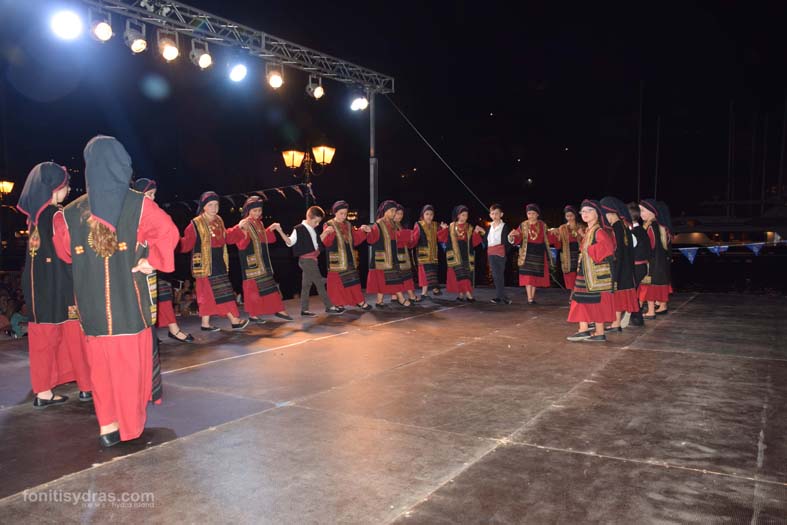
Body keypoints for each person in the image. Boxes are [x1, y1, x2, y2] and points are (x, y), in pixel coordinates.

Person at [53, 135, 180, 447]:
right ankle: (129, 427)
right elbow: (169, 232)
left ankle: (107, 426)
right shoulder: (138, 204)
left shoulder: (69, 213)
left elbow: (64, 252)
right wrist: (151, 261)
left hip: (92, 305)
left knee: (101, 369)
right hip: (129, 303)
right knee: (129, 367)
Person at [17, 161, 92, 408]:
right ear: (54, 188)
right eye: (65, 185)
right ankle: (86, 386)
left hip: (37, 287)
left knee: (43, 338)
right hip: (61, 285)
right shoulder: (57, 215)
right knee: (74, 335)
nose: (68, 190)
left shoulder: (33, 219)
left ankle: (43, 391)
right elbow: (67, 250)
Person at [133, 178, 194, 343]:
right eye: (149, 194)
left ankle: (172, 330)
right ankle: (158, 333)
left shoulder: (150, 211)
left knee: (163, 297)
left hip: (154, 262)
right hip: (141, 263)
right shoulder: (135, 210)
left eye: (154, 194)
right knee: (147, 300)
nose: (152, 198)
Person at [179, 191, 249, 331]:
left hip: (218, 261)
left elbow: (226, 237)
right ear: (203, 206)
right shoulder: (195, 223)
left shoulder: (219, 220)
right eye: (210, 205)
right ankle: (234, 320)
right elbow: (186, 243)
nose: (214, 208)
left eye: (216, 204)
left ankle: (205, 324)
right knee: (220, 292)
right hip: (205, 263)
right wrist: (172, 242)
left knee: (210, 294)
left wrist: (239, 228)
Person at [230, 196, 293, 322]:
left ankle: (278, 309)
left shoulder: (259, 223)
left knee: (269, 286)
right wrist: (242, 230)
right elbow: (240, 244)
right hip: (251, 262)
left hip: (263, 261)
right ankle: (253, 314)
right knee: (252, 289)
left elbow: (263, 238)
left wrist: (270, 229)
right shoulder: (245, 223)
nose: (257, 213)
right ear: (248, 211)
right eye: (255, 211)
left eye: (259, 210)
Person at [274, 206, 344, 317]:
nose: (317, 224)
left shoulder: (313, 229)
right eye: (316, 221)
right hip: (306, 261)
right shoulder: (299, 229)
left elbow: (316, 243)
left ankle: (304, 310)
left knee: (306, 285)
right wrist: (279, 230)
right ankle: (329, 306)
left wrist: (325, 232)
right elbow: (289, 242)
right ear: (309, 217)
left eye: (319, 222)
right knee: (319, 283)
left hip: (312, 260)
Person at [566, 200, 616, 342]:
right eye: (583, 211)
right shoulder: (590, 230)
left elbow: (608, 248)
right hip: (586, 272)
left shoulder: (599, 231)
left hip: (594, 274)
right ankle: (590, 330)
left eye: (589, 210)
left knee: (592, 301)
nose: (585, 213)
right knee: (584, 300)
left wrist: (588, 249)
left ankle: (592, 331)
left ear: (597, 213)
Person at [321, 200, 373, 311]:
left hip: (349, 257)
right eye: (341, 213)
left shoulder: (348, 225)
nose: (343, 216)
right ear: (335, 212)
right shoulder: (329, 224)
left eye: (345, 213)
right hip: (336, 258)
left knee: (353, 280)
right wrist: (328, 233)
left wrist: (363, 231)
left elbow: (355, 239)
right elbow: (326, 242)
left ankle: (359, 301)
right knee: (336, 282)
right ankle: (337, 303)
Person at [600, 196, 640, 332]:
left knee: (617, 296)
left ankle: (616, 323)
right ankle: (615, 322)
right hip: (626, 266)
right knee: (619, 296)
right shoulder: (624, 226)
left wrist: (615, 270)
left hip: (620, 267)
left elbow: (618, 251)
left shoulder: (617, 227)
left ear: (610, 212)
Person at [366, 200, 410, 307]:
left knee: (385, 280)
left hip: (392, 257)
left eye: (395, 211)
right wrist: (369, 232)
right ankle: (401, 299)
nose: (394, 213)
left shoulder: (393, 224)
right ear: (385, 211)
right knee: (393, 279)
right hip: (382, 258)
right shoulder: (378, 224)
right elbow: (371, 240)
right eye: (392, 210)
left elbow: (396, 239)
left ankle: (379, 301)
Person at [508, 203, 554, 304]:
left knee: (534, 276)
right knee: (528, 276)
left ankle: (532, 297)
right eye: (529, 213)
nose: (531, 215)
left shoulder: (542, 225)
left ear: (537, 214)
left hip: (538, 252)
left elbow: (547, 238)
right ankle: (530, 298)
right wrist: (512, 236)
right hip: (526, 252)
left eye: (533, 213)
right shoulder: (523, 225)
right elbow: (518, 238)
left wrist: (554, 233)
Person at [437, 205, 484, 301]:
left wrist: (476, 232)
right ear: (458, 215)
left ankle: (461, 295)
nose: (464, 217)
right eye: (463, 215)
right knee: (461, 274)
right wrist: (444, 229)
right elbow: (443, 239)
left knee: (465, 275)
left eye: (466, 215)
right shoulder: (451, 226)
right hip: (454, 255)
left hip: (466, 254)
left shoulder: (469, 227)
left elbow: (473, 242)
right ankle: (469, 295)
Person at [638, 199, 672, 319]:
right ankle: (662, 305)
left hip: (652, 262)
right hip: (661, 261)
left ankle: (651, 311)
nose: (640, 214)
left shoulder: (650, 226)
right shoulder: (661, 225)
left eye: (643, 210)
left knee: (649, 286)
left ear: (652, 211)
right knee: (658, 284)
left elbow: (649, 246)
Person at [550, 205, 584, 293]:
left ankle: (577, 294)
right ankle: (573, 294)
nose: (569, 218)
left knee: (580, 274)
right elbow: (558, 243)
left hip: (579, 254)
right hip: (567, 255)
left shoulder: (581, 227)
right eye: (567, 216)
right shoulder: (562, 228)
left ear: (575, 215)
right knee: (570, 276)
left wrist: (582, 235)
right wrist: (555, 234)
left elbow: (586, 240)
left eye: (571, 215)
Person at [483, 203, 512, 304]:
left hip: (500, 252)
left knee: (498, 274)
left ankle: (501, 297)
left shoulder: (504, 226)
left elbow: (508, 241)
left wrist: (505, 250)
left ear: (501, 214)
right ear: (490, 215)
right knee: (496, 275)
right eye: (492, 213)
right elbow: (486, 240)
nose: (494, 215)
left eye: (496, 213)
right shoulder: (489, 226)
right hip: (491, 252)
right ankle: (502, 297)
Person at [412, 205, 442, 298]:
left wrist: (444, 229)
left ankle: (431, 290)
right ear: (423, 215)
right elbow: (414, 238)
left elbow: (441, 238)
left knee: (433, 272)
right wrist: (410, 242)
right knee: (424, 274)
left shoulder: (436, 225)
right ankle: (426, 291)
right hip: (423, 254)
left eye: (431, 214)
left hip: (433, 255)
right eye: (427, 214)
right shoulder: (419, 225)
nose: (429, 216)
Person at [392, 204, 420, 303]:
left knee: (404, 276)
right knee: (400, 276)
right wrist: (407, 234)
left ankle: (395, 296)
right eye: (397, 213)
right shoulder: (389, 225)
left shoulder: (399, 225)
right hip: (394, 255)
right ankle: (410, 296)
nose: (400, 216)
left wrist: (413, 237)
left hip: (402, 254)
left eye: (401, 214)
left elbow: (407, 243)